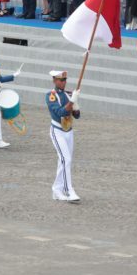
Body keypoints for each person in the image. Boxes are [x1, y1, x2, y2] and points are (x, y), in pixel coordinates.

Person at [47, 70, 80, 203]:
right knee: (65, 159)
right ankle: (68, 190)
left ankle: (57, 189)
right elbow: (59, 112)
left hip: (68, 130)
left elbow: (77, 116)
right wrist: (71, 102)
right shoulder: (51, 95)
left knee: (65, 160)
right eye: (61, 80)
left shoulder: (69, 94)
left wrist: (76, 103)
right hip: (57, 130)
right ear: (54, 80)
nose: (63, 83)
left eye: (65, 80)